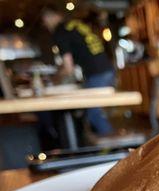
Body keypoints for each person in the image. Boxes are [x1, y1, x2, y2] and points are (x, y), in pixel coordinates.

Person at [41, 5, 115, 136]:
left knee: (92, 114)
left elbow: (68, 68)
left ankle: (113, 149)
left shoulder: (60, 31)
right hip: (107, 69)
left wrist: (53, 80)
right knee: (91, 113)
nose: (45, 25)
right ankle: (103, 145)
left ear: (51, 17)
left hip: (97, 73)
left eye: (45, 20)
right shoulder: (75, 24)